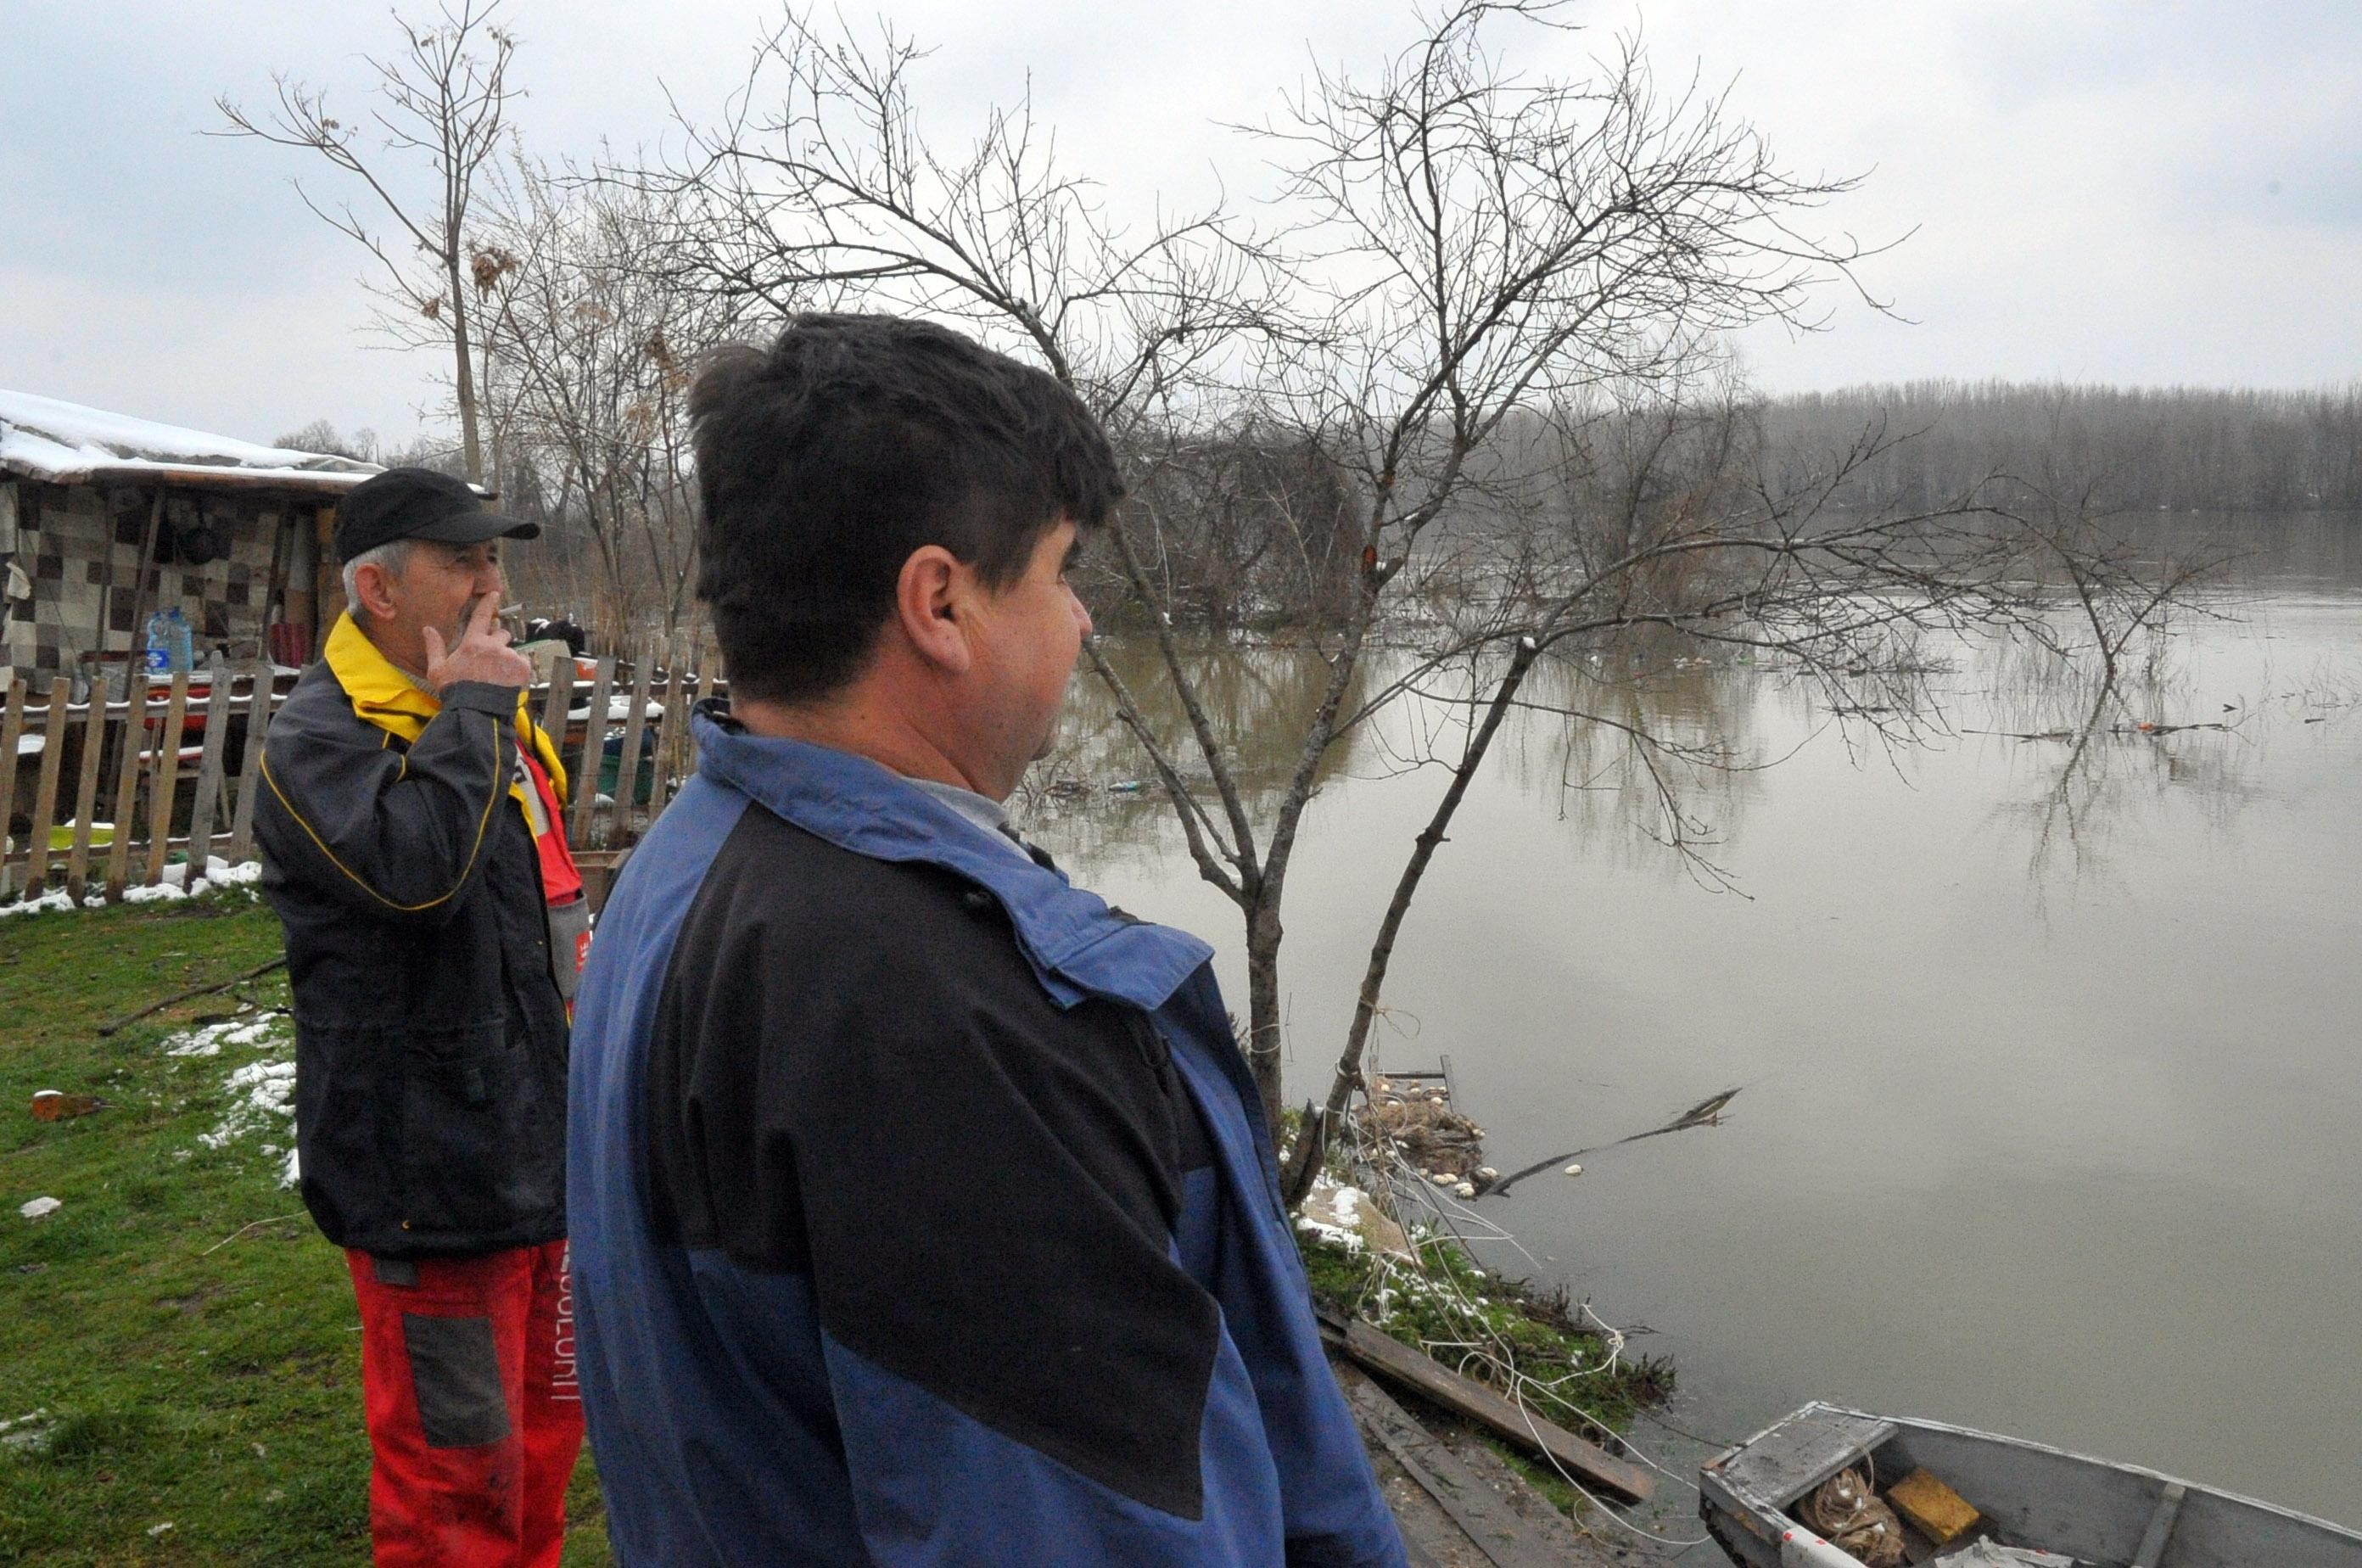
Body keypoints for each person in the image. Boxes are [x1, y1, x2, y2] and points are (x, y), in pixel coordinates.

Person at [567, 314, 1408, 1567]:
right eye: (1063, 574)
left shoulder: (692, 863)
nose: (1078, 623)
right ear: (941, 602)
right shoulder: (942, 1034)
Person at [254, 467, 586, 1568]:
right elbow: (414, 875)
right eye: (464, 562)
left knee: (541, 1457)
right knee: (459, 1501)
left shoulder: (481, 717)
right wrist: (480, 711)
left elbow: (548, 907)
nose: (493, 584)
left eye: (494, 557)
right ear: (378, 590)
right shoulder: (320, 739)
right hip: (431, 1191)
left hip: (544, 1166)